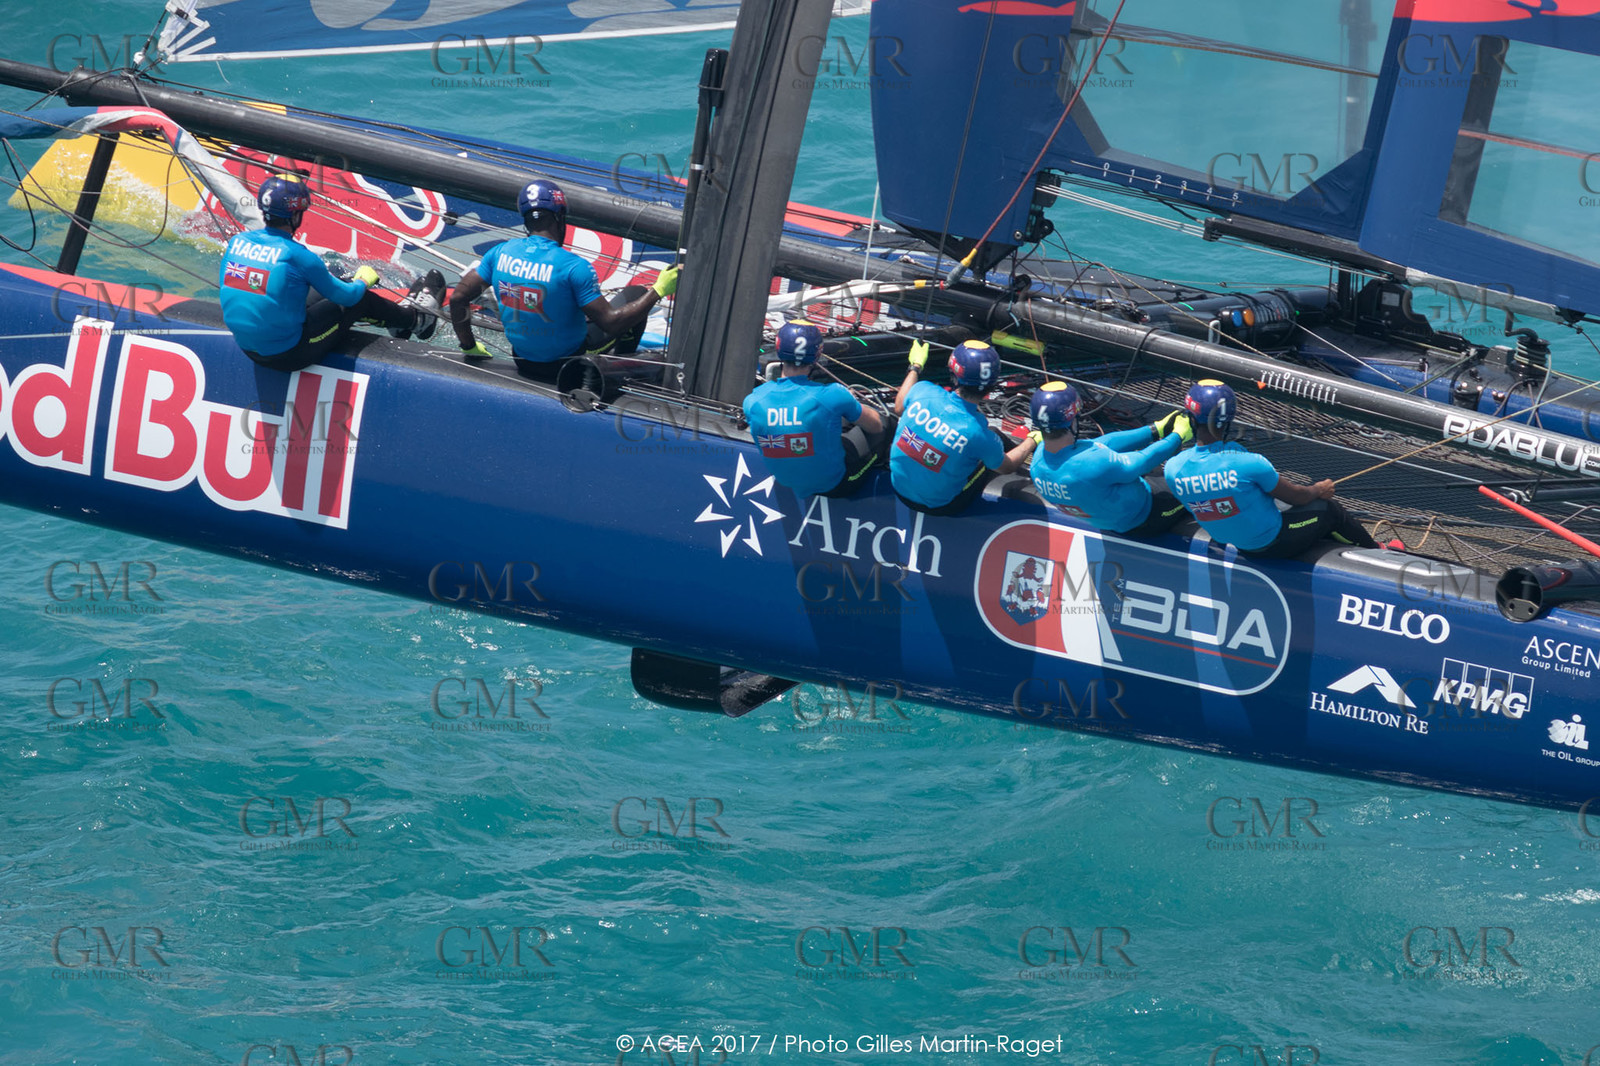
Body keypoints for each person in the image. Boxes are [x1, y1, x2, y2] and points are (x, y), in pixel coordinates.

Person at [447, 180, 679, 378]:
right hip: (567, 363)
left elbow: (458, 298)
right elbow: (612, 322)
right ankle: (616, 373)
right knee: (637, 295)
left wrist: (469, 346)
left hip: (523, 361)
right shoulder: (574, 267)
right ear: (560, 217)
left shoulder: (499, 253)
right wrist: (659, 289)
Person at [219, 173, 445, 372]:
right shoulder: (297, 254)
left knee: (332, 286)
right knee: (358, 298)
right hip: (289, 355)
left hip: (248, 349)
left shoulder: (237, 242)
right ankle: (417, 321)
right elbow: (349, 297)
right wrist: (363, 281)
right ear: (296, 215)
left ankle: (395, 322)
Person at [1163, 379, 1379, 555]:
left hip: (1236, 543)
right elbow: (1298, 497)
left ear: (1190, 419)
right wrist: (1319, 489)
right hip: (1274, 542)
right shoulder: (1250, 463)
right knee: (1329, 510)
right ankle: (1376, 551)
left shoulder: (1173, 468)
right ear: (1228, 419)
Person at [1027, 381, 1194, 536]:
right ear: (1073, 422)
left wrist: (1155, 430)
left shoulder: (1039, 459)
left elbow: (1099, 444)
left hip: (1109, 514)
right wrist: (1177, 435)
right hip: (1149, 514)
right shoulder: (1092, 463)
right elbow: (1143, 460)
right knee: (1193, 484)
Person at [889, 339, 1035, 515]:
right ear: (991, 385)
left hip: (898, 489)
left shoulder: (922, 391)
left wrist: (916, 366)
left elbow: (898, 407)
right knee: (992, 444)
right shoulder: (978, 433)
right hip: (943, 505)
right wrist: (1032, 440)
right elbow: (1007, 467)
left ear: (954, 374)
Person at [742, 320, 887, 497]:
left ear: (779, 349)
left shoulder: (753, 401)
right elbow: (876, 426)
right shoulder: (833, 395)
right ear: (817, 355)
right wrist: (850, 401)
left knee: (832, 420)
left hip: (787, 481)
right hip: (836, 484)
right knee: (887, 423)